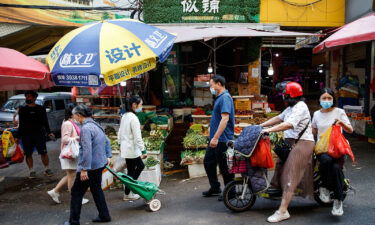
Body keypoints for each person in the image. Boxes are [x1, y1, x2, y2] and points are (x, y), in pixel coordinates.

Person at [260, 82, 315, 223]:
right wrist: (260, 126)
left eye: (284, 94)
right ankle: (279, 191)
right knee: (280, 167)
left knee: (291, 174)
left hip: (303, 143)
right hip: (290, 142)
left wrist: (269, 130)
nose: (283, 97)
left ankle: (283, 211)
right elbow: (279, 118)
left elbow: (289, 124)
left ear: (291, 94)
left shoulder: (300, 107)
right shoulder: (291, 107)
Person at [62, 105, 112, 225]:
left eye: (74, 115)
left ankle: (73, 222)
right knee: (96, 189)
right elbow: (107, 141)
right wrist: (108, 155)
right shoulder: (96, 125)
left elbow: (86, 150)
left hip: (90, 166)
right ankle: (104, 215)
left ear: (79, 115)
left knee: (76, 192)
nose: (73, 117)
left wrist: (84, 169)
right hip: (99, 163)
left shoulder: (86, 129)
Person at [312, 88, 353, 216]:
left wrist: (342, 124)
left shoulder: (339, 112)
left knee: (335, 167)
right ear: (319, 100)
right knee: (327, 160)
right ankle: (325, 187)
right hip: (322, 149)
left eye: (329, 98)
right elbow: (313, 132)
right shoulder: (316, 114)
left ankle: (338, 201)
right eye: (324, 98)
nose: (327, 100)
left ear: (333, 99)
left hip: (337, 148)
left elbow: (350, 130)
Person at [47, 104, 89, 205]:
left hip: (72, 153)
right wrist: (77, 138)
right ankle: (75, 198)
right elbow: (64, 139)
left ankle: (55, 191)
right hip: (69, 154)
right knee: (72, 176)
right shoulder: (67, 124)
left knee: (70, 175)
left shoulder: (71, 122)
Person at [202, 75, 235, 201]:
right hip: (215, 138)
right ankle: (215, 187)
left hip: (223, 139)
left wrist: (215, 138)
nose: (211, 87)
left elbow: (225, 119)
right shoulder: (219, 97)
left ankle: (230, 192)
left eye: (212, 85)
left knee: (225, 167)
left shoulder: (225, 98)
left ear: (219, 84)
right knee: (208, 162)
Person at [18, 90, 55, 178]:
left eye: (29, 96)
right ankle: (31, 170)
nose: (27, 98)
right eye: (26, 96)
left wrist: (49, 132)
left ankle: (47, 169)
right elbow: (21, 124)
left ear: (34, 98)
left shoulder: (41, 109)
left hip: (39, 134)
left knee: (43, 152)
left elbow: (45, 122)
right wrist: (17, 136)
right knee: (28, 153)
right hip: (26, 135)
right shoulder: (22, 109)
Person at [118, 96, 147, 201]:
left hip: (127, 148)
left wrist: (119, 144)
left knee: (137, 167)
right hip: (131, 149)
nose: (141, 107)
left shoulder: (125, 116)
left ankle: (129, 190)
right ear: (134, 105)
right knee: (135, 169)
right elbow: (137, 137)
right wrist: (143, 150)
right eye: (141, 104)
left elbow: (120, 132)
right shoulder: (134, 118)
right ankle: (128, 192)